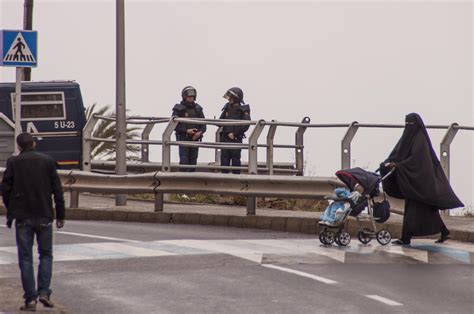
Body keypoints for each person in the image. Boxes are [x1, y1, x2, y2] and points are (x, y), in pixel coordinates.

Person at [2, 132, 65, 311]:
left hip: (22, 216)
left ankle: (30, 299)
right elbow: (58, 191)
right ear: (34, 144)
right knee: (46, 255)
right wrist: (60, 215)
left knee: (26, 258)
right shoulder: (48, 161)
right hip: (44, 214)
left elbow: (5, 188)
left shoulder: (13, 162)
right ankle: (44, 292)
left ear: (19, 146)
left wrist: (11, 208)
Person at [380, 113, 464, 245]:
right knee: (427, 210)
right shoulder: (410, 137)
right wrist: (387, 163)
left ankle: (406, 238)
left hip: (420, 181)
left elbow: (417, 160)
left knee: (414, 210)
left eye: (409, 124)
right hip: (413, 181)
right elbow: (398, 153)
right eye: (406, 123)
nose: (407, 126)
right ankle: (444, 231)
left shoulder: (420, 139)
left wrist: (398, 165)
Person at [172, 86, 206, 172]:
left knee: (193, 160)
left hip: (195, 138)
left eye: (192, 97)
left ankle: (191, 179)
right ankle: (182, 179)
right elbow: (173, 125)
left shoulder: (198, 108)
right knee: (184, 159)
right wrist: (186, 131)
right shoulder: (178, 108)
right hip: (183, 137)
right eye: (189, 96)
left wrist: (199, 133)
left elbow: (204, 125)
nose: (191, 98)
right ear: (184, 96)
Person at [219, 87, 251, 174]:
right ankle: (223, 178)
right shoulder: (227, 108)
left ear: (236, 98)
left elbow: (246, 124)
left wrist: (235, 133)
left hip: (236, 138)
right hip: (225, 138)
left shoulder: (243, 109)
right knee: (224, 160)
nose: (229, 99)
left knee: (235, 159)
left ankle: (236, 178)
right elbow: (219, 121)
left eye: (231, 97)